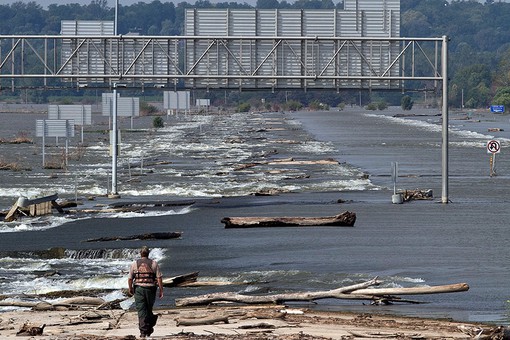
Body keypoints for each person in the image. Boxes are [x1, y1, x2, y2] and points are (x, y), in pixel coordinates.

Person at [128, 246, 164, 338]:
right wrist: (161, 290)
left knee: (141, 309)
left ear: (140, 253)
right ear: (148, 253)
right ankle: (147, 329)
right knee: (148, 309)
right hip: (151, 289)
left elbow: (130, 278)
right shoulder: (154, 263)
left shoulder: (134, 264)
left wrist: (130, 288)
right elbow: (159, 278)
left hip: (139, 289)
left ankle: (144, 331)